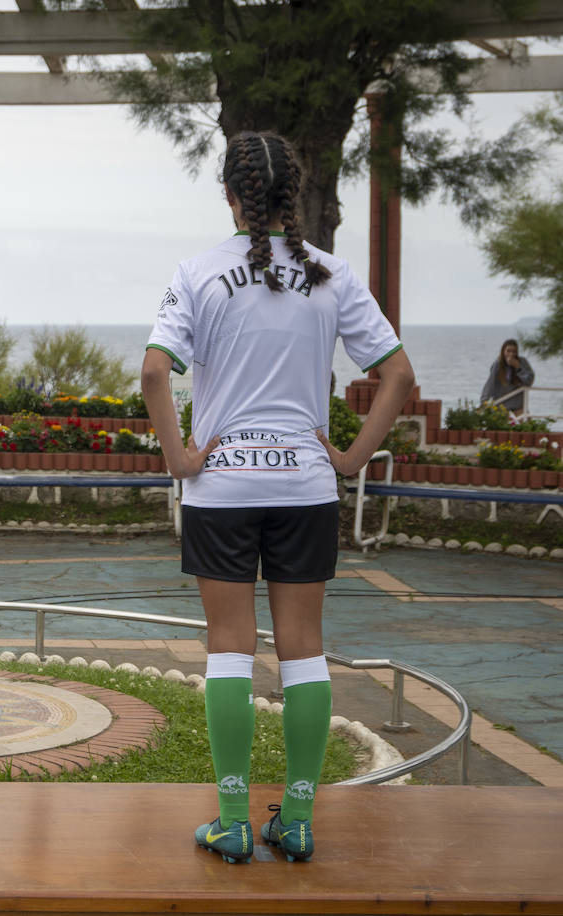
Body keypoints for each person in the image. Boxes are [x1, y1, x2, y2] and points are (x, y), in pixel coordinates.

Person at [140, 131, 415, 865]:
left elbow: (155, 373)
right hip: (305, 485)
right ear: (294, 195)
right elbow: (397, 375)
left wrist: (179, 456)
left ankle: (231, 819)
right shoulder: (332, 274)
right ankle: (295, 819)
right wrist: (353, 457)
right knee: (305, 656)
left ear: (230, 194)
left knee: (229, 653)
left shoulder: (197, 274)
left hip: (221, 485)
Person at [480, 339, 534, 413]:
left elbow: (528, 381)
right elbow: (490, 384)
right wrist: (484, 402)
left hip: (518, 407)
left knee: (527, 422)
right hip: (502, 407)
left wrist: (518, 368)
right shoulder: (498, 365)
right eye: (508, 351)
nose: (511, 354)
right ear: (503, 351)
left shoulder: (522, 362)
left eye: (514, 351)